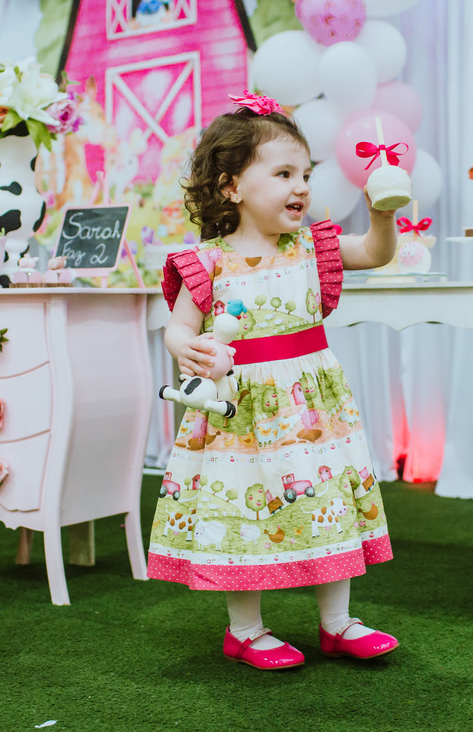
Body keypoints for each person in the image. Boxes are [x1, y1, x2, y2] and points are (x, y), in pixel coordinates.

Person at [149, 92, 407, 670]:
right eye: (284, 173)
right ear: (230, 187)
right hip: (241, 414)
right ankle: (245, 630)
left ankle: (337, 622)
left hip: (313, 410)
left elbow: (375, 252)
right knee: (245, 510)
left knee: (327, 502)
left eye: (306, 175)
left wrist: (382, 216)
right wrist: (185, 346)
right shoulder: (207, 262)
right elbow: (178, 327)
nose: (301, 187)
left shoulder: (313, 247)